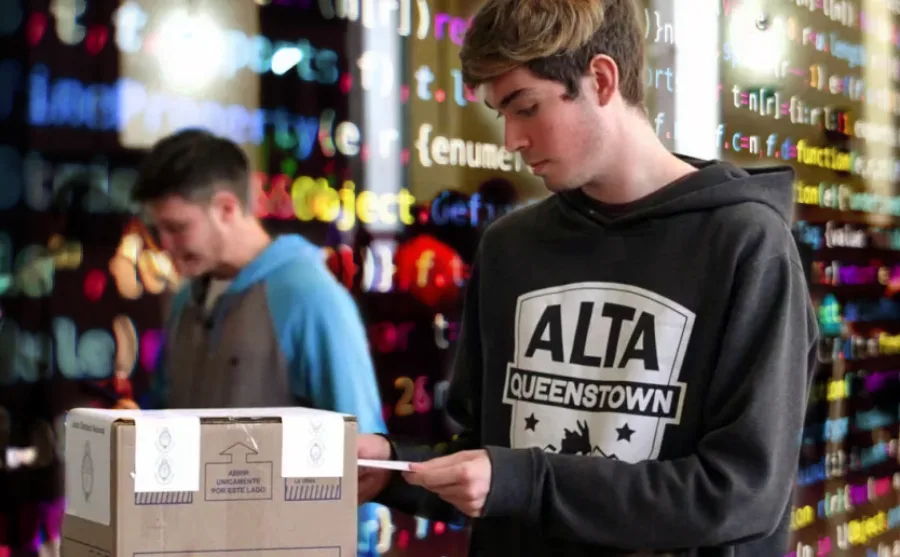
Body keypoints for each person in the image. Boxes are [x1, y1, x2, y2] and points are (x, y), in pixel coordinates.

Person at [357, 0, 818, 555]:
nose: (511, 140)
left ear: (600, 79)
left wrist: (526, 482)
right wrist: (395, 468)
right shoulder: (509, 247)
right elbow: (491, 463)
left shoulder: (747, 244)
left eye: (526, 107)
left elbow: (741, 493)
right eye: (502, 115)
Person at [131, 129, 387, 552]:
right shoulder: (185, 299)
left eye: (177, 228)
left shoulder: (308, 296)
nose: (165, 245)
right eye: (159, 230)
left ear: (227, 208)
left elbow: (361, 453)